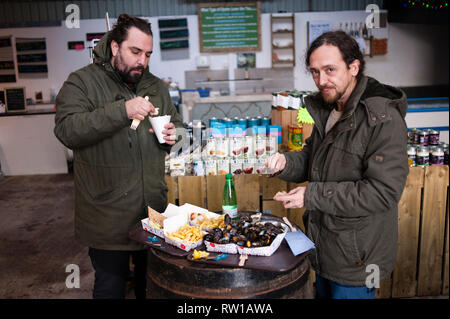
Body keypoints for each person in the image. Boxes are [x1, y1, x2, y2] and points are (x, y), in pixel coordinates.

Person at [266, 31, 409, 299]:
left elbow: (383, 193)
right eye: (315, 71)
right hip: (324, 249)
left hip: (359, 261)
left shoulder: (383, 118)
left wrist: (312, 195)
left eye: (330, 69)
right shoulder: (328, 108)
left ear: (354, 67)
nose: (322, 80)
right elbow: (313, 161)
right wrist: (285, 162)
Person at [54, 14, 184, 299]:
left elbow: (179, 126)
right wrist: (121, 111)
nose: (142, 61)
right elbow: (67, 130)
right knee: (110, 289)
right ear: (114, 47)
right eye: (135, 52)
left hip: (152, 214)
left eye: (148, 54)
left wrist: (177, 135)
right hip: (106, 217)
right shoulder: (82, 83)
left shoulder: (155, 86)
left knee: (152, 288)